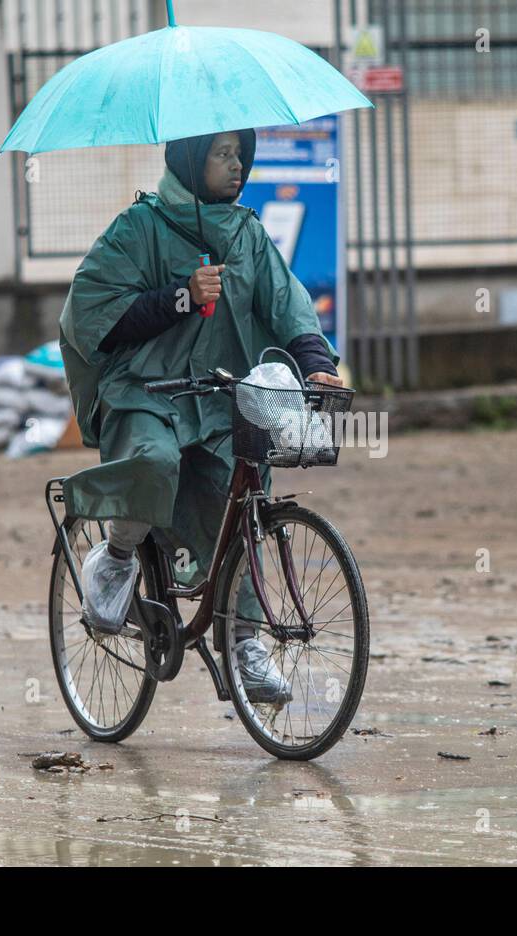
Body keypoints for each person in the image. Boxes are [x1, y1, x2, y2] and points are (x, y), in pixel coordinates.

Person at [57, 128, 343, 703]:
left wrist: (315, 365)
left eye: (241, 154)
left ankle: (245, 644)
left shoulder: (247, 234)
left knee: (244, 496)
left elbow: (287, 305)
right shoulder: (137, 229)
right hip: (143, 392)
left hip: (217, 396)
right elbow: (90, 316)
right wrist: (179, 297)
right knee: (154, 460)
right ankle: (115, 559)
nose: (236, 166)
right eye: (222, 154)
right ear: (190, 160)